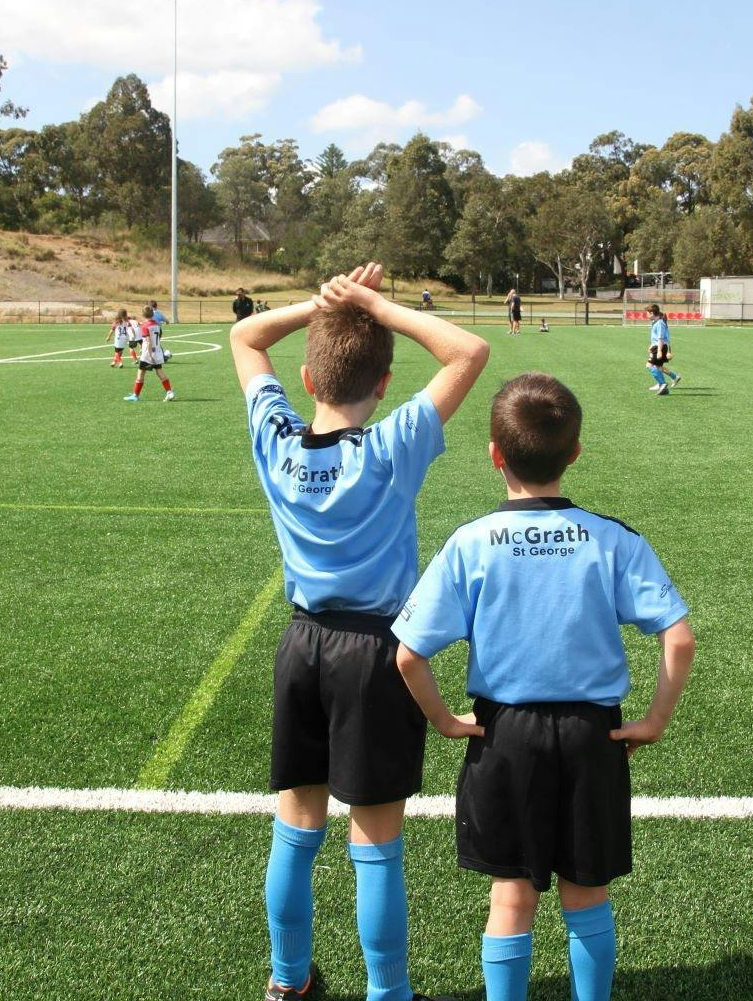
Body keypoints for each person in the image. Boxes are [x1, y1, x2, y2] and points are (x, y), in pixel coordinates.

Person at [230, 261, 488, 1001]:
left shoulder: (277, 440)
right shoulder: (391, 445)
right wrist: (376, 304)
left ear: (308, 381)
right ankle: (388, 993)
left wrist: (321, 303)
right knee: (374, 841)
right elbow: (468, 352)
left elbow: (245, 338)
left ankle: (287, 983)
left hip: (301, 647)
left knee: (296, 827)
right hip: (375, 653)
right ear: (384, 384)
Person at [392, 373, 695, 1001]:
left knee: (512, 895)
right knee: (587, 894)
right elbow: (680, 639)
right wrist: (655, 720)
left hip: (505, 736)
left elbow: (408, 655)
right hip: (592, 735)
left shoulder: (470, 542)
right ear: (575, 452)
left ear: (494, 454)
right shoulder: (613, 538)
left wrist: (446, 721)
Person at [124, 306, 176, 402]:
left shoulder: (145, 326)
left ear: (143, 315)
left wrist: (150, 354)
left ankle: (135, 395)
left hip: (148, 354)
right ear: (152, 314)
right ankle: (169, 392)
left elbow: (148, 341)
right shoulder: (156, 324)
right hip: (157, 351)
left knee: (140, 373)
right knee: (160, 372)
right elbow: (159, 336)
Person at [644, 303, 680, 395]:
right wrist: (651, 345)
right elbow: (656, 337)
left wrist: (659, 351)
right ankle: (665, 384)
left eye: (647, 313)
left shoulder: (660, 323)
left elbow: (661, 338)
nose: (646, 315)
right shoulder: (656, 322)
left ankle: (662, 384)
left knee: (649, 365)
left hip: (659, 347)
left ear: (652, 313)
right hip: (657, 346)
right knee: (658, 367)